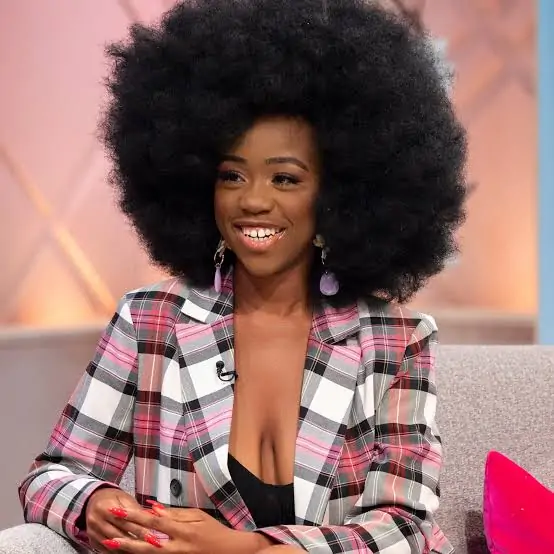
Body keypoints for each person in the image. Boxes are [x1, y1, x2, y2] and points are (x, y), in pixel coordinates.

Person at [18, 0, 467, 552]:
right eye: (232, 175)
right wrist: (94, 503)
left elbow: (406, 525)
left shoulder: (397, 340)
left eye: (285, 179)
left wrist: (249, 549)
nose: (252, 200)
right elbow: (50, 476)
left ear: (338, 197)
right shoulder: (150, 321)